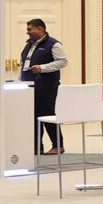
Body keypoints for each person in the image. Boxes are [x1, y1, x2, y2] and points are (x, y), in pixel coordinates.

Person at [20, 18, 65, 155]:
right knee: (32, 116)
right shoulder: (28, 44)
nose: (27, 32)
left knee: (47, 114)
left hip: (47, 86)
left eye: (30, 29)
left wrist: (42, 68)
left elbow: (63, 62)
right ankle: (36, 147)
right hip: (30, 85)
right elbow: (23, 64)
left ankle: (58, 145)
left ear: (41, 29)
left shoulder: (54, 44)